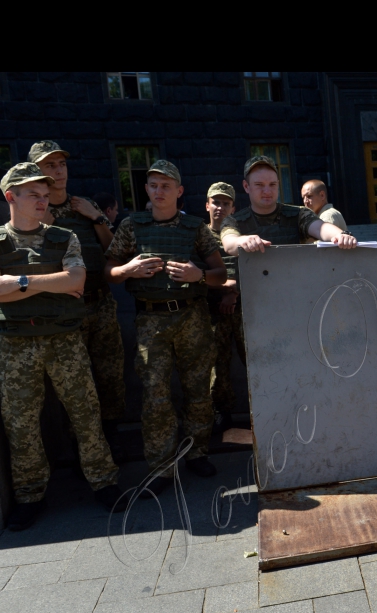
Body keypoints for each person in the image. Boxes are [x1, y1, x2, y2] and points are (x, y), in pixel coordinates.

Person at [0, 163, 126, 531]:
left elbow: (77, 278)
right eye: (32, 195)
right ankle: (29, 495)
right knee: (21, 424)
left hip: (64, 340)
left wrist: (18, 281)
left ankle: (104, 482)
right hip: (15, 345)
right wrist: (47, 282)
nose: (42, 201)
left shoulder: (62, 237)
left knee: (85, 413)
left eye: (45, 195)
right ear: (11, 197)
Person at [105, 160, 227, 494]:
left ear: (179, 191)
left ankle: (197, 453)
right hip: (151, 321)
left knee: (198, 391)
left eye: (166, 186)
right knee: (155, 395)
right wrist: (128, 269)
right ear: (146, 189)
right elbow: (109, 271)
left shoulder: (195, 229)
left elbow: (221, 275)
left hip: (192, 317)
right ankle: (162, 468)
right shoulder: (132, 226)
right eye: (153, 185)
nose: (159, 191)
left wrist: (198, 275)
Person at [29, 141, 127, 461]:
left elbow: (115, 251)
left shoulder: (83, 206)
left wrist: (97, 217)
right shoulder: (37, 214)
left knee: (111, 375)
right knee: (75, 386)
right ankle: (81, 449)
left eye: (61, 165)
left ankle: (111, 439)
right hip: (65, 309)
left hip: (101, 302)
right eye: (49, 166)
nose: (58, 171)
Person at [221, 155, 356, 364]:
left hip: (298, 308)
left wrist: (338, 235)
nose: (267, 190)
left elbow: (320, 228)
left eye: (272, 184)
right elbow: (229, 242)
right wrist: (243, 241)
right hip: (255, 313)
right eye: (259, 185)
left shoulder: (298, 214)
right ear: (246, 187)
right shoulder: (235, 220)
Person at [205, 182, 239, 434]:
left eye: (225, 203)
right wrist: (224, 289)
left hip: (245, 310)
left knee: (257, 361)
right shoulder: (200, 236)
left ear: (233, 207)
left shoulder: (240, 234)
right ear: (207, 205)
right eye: (216, 202)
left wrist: (234, 292)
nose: (220, 207)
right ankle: (222, 415)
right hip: (213, 312)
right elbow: (197, 273)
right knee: (218, 368)